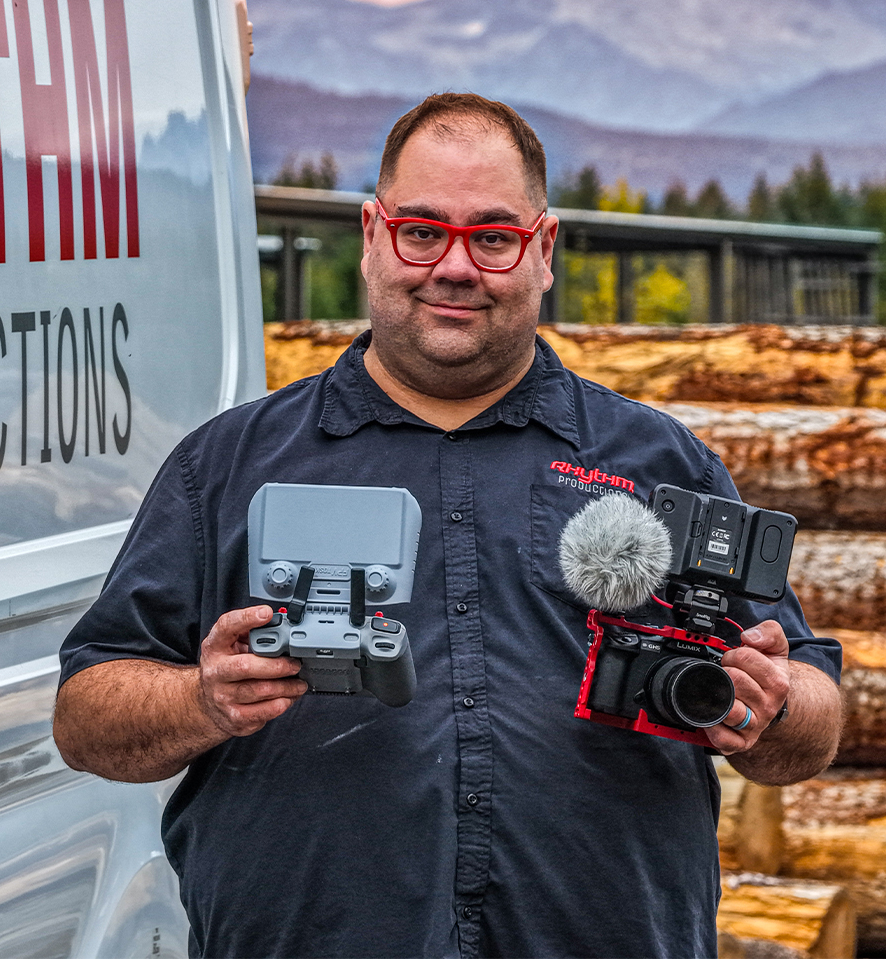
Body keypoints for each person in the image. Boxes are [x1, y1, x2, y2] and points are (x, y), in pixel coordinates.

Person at [54, 93, 842, 959]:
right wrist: (198, 700)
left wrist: (771, 708)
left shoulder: (661, 464)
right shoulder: (231, 465)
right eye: (422, 231)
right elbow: (86, 719)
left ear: (542, 251)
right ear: (372, 235)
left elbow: (809, 707)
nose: (454, 266)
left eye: (493, 237)